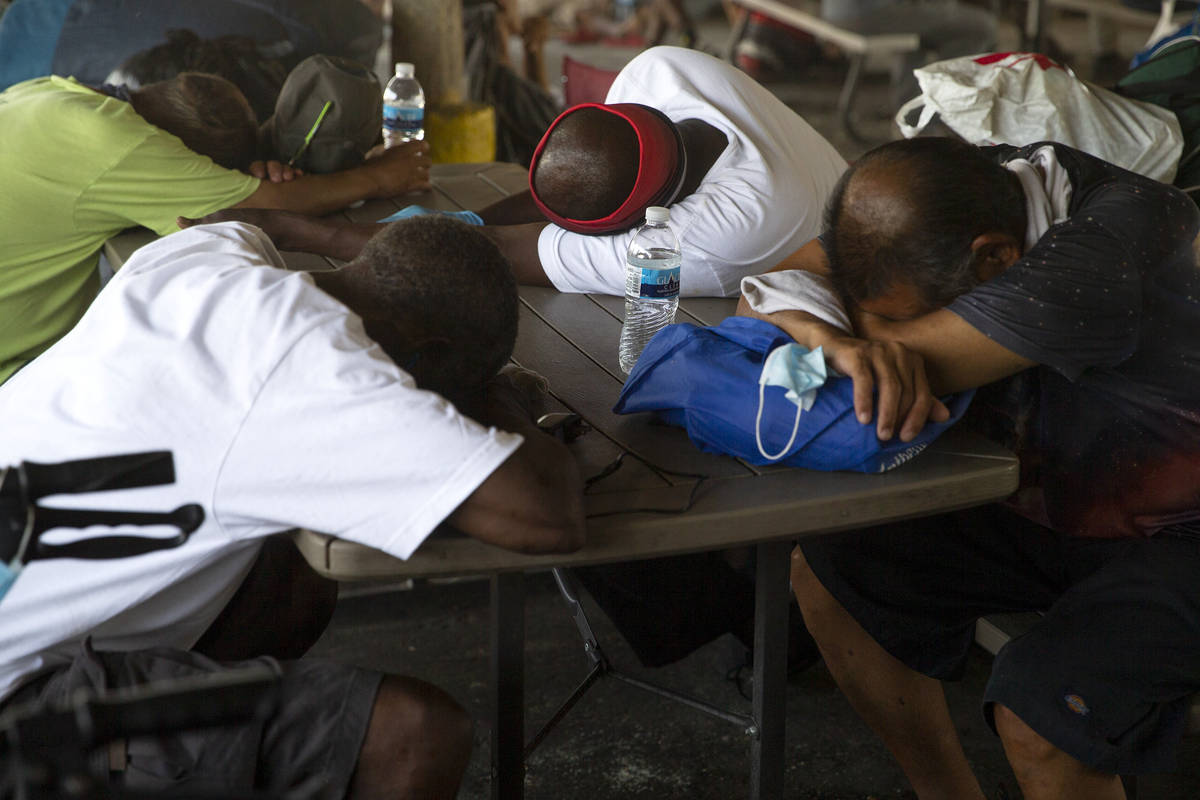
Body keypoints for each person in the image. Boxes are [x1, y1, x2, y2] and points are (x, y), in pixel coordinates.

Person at [0, 215, 586, 798]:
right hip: (17, 705)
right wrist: (498, 391)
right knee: (413, 734)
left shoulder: (209, 255)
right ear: (429, 357)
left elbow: (235, 220)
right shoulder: (320, 369)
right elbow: (544, 518)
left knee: (294, 580)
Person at [742, 136, 1200, 799]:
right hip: (1070, 501)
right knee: (834, 571)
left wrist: (822, 325)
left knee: (1041, 714)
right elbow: (765, 296)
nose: (871, 319)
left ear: (998, 258)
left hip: (1185, 533)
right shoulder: (968, 182)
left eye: (908, 314)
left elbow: (809, 327)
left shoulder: (1099, 255)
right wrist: (828, 338)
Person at [202, 46, 848, 301]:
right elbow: (554, 198)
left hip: (835, 281)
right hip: (814, 194)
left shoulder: (713, 235)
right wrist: (466, 216)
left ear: (637, 223)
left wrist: (313, 232)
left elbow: (502, 253)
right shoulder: (662, 72)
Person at [0, 70, 430, 384]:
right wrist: (381, 177)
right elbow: (267, 206)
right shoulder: (118, 141)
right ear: (177, 153)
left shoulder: (49, 91)